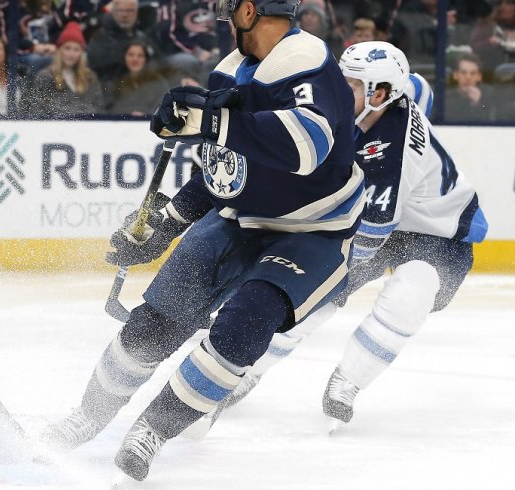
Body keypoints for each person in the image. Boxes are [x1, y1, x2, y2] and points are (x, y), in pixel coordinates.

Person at [42, 0, 362, 482]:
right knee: (155, 322)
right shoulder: (232, 71)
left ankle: (152, 428)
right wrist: (165, 225)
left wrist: (213, 120)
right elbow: (222, 168)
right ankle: (89, 415)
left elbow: (306, 148)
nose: (224, 12)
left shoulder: (310, 62)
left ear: (250, 10)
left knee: (244, 326)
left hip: (312, 231)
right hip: (238, 218)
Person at [202, 41, 488, 431]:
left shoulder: (389, 153)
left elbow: (371, 234)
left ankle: (349, 380)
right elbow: (421, 87)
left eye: (352, 84)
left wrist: (321, 279)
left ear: (381, 94)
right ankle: (248, 370)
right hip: (380, 214)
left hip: (440, 235)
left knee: (407, 292)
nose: (339, 89)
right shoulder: (388, 96)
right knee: (310, 295)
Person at [28, 21, 103, 117]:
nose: (71, 54)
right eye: (67, 48)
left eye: (76, 49)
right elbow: (37, 110)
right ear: (59, 50)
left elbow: (99, 108)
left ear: (81, 53)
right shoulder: (45, 76)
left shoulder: (90, 77)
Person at [104, 41, 172, 116]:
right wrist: (127, 115)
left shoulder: (157, 81)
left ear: (146, 59)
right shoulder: (113, 81)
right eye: (130, 55)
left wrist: (146, 115)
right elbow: (108, 108)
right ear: (124, 57)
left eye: (140, 56)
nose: (135, 59)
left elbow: (164, 105)